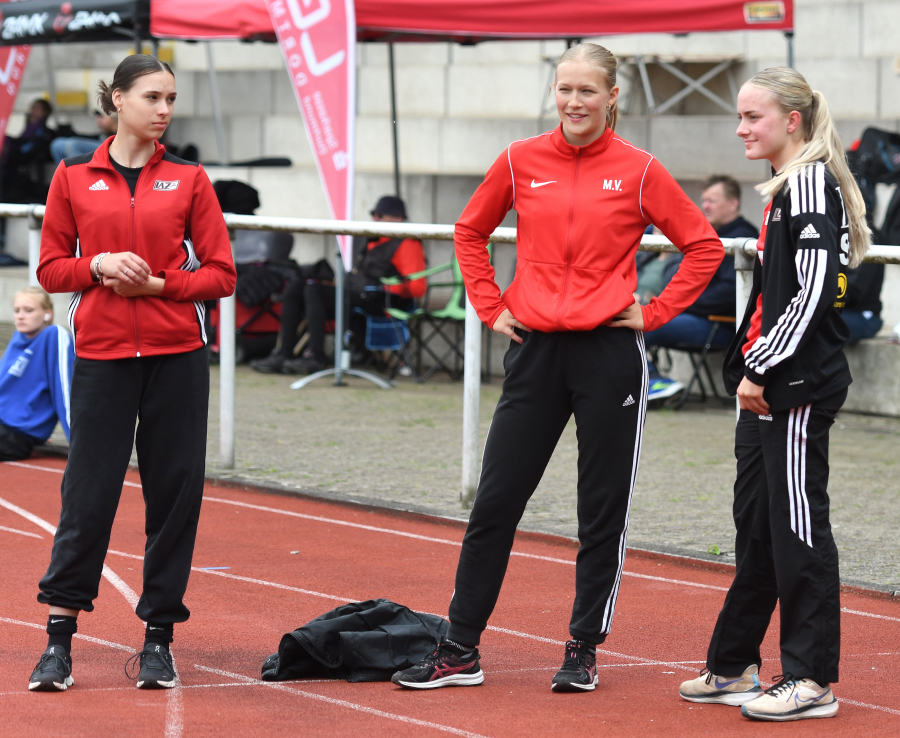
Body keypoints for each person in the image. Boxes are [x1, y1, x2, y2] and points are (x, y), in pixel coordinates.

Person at [391, 43, 722, 693]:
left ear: (612, 97)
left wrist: (654, 312)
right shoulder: (520, 159)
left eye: (587, 90)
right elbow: (469, 231)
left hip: (608, 355)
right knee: (495, 501)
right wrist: (491, 306)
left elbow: (703, 247)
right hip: (535, 350)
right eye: (565, 89)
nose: (574, 101)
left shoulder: (640, 169)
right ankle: (459, 648)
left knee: (600, 508)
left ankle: (583, 647)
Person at [29, 54, 236, 693]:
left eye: (171, 98)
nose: (164, 109)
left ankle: (158, 641)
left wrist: (159, 285)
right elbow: (50, 269)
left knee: (174, 499)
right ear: (117, 99)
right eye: (152, 97)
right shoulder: (72, 176)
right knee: (87, 497)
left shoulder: (190, 178)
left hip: (178, 359)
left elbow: (222, 276)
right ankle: (58, 643)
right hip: (102, 357)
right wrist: (98, 266)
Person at [679, 67, 870, 721]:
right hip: (769, 384)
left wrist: (758, 368)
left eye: (751, 117)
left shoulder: (810, 181)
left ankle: (812, 678)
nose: (740, 129)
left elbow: (812, 291)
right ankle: (734, 663)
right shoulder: (787, 183)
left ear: (792, 120)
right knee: (759, 527)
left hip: (793, 386)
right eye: (739, 116)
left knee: (797, 528)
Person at [253, 195, 426, 375]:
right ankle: (283, 353)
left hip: (380, 303)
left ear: (398, 219)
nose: (375, 219)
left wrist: (384, 288)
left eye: (380, 216)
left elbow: (418, 287)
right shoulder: (373, 240)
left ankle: (316, 356)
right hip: (357, 296)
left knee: (315, 290)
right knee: (297, 286)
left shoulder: (408, 243)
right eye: (374, 215)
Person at [645, 175, 760, 401]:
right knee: (633, 318)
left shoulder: (744, 238)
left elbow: (730, 293)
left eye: (712, 201)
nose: (705, 206)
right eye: (704, 200)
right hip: (692, 315)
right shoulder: (704, 232)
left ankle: (653, 382)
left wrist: (681, 301)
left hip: (719, 325)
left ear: (733, 203)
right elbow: (674, 275)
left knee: (643, 324)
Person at [0, 287, 73, 461]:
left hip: (15, 434)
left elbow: (66, 392)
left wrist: (78, 442)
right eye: (17, 310)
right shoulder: (18, 337)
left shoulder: (55, 335)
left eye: (29, 310)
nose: (20, 316)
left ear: (47, 314)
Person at [1, 98, 56, 204]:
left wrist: (8, 145)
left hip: (22, 163)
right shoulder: (28, 129)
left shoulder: (45, 133)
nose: (32, 112)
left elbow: (26, 150)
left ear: (46, 112)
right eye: (32, 108)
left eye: (36, 109)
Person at [50, 109, 118, 163]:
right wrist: (105, 127)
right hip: (102, 138)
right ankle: (65, 175)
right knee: (57, 144)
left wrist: (114, 127)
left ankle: (81, 175)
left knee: (72, 144)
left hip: (112, 145)